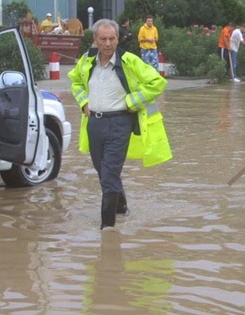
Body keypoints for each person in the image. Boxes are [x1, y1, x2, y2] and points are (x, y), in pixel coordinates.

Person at [68, 19, 172, 230]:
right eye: (103, 39)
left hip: (119, 124)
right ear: (95, 39)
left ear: (118, 39)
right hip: (94, 124)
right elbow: (76, 82)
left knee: (108, 175)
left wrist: (131, 102)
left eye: (112, 39)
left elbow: (157, 83)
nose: (108, 43)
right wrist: (83, 103)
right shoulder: (87, 61)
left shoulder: (129, 61)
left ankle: (107, 229)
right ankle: (122, 208)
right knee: (103, 171)